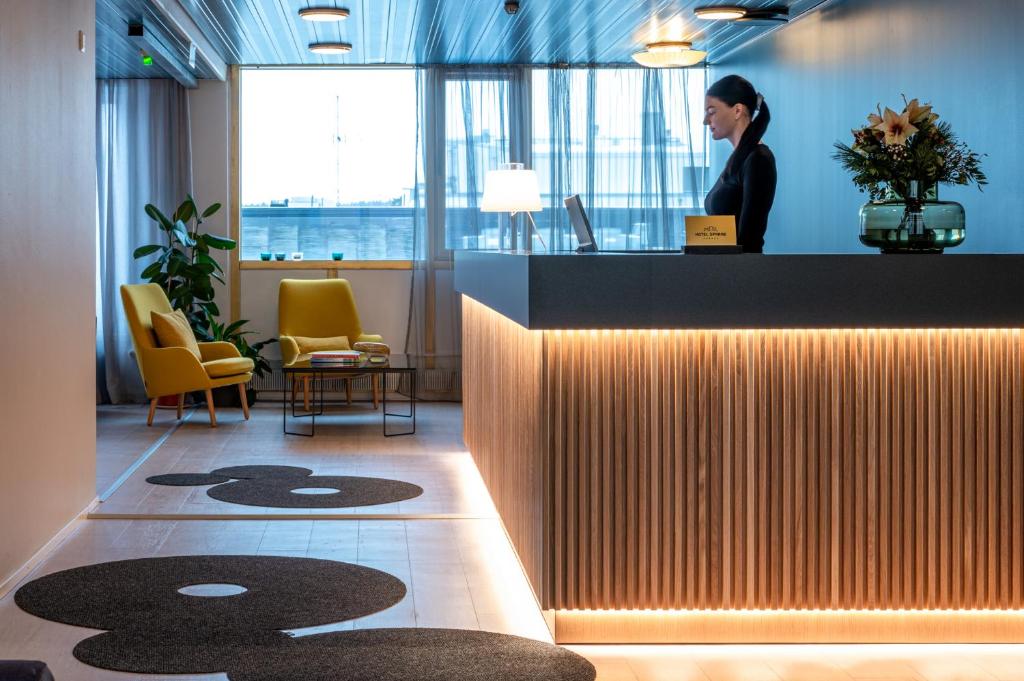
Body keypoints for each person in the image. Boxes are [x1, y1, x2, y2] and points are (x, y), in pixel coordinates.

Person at [703, 75, 776, 253]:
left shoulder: (758, 158)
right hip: (725, 270)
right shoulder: (738, 159)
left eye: (711, 112)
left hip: (739, 275)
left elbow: (750, 239)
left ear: (737, 111)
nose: (705, 120)